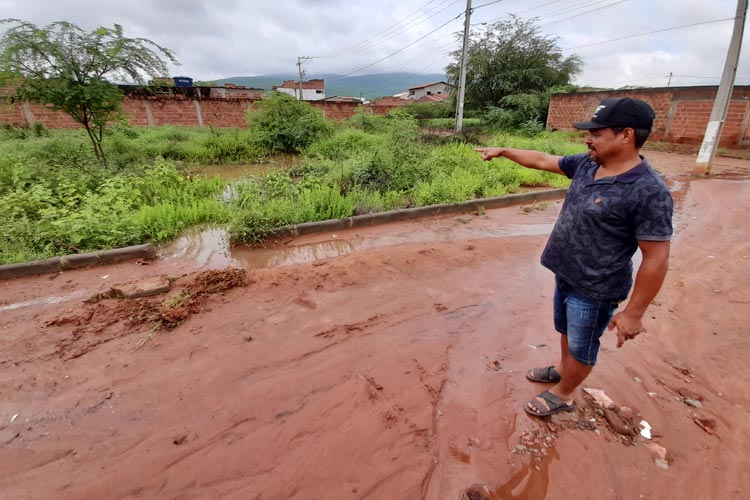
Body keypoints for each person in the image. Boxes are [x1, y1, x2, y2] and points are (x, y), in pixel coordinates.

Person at [475, 97, 673, 417]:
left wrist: (634, 313)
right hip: (566, 271)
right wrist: (505, 151)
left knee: (583, 343)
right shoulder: (588, 163)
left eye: (596, 132)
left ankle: (565, 392)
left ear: (626, 135)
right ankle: (564, 368)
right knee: (566, 330)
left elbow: (657, 257)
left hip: (596, 287)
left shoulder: (648, 191)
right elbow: (544, 160)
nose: (588, 138)